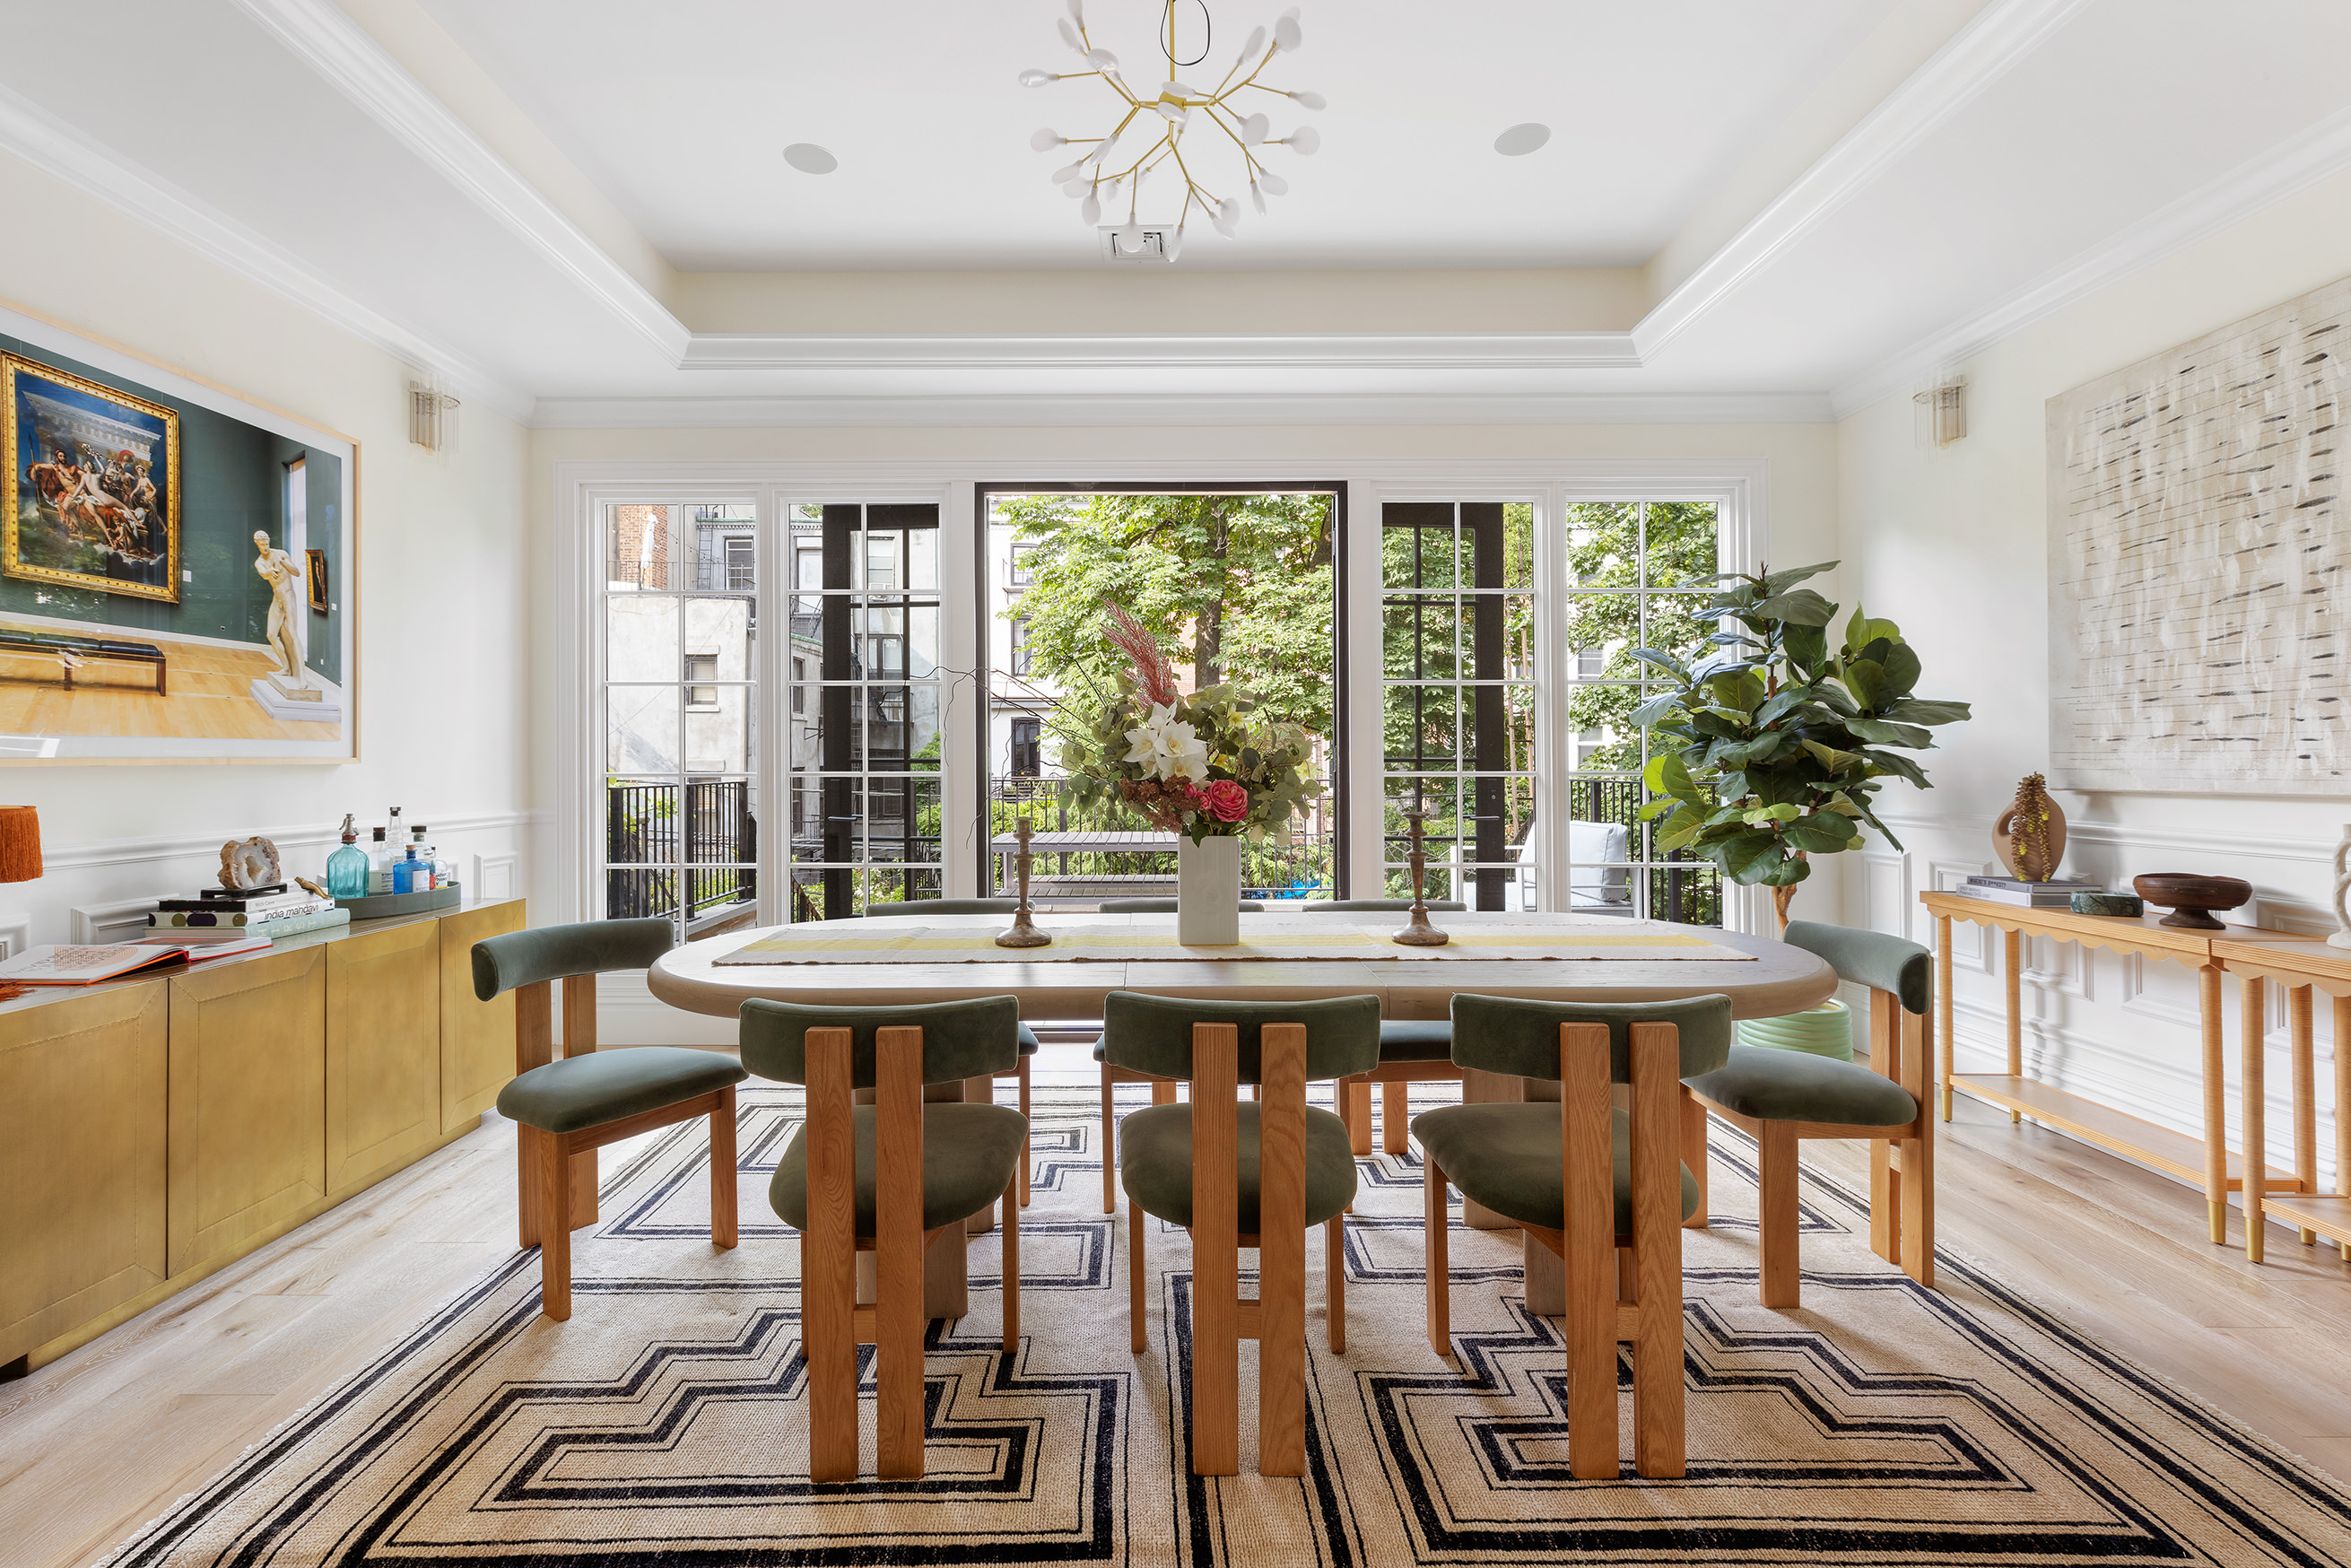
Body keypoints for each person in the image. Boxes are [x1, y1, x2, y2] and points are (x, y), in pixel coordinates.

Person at [253, 529, 306, 684]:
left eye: (267, 543)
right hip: (277, 599)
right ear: (257, 544)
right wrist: (270, 571)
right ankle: (287, 667)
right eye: (262, 544)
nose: (265, 547)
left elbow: (297, 573)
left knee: (293, 633)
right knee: (271, 635)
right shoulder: (259, 562)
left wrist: (283, 563)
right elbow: (264, 573)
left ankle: (302, 676)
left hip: (288, 596)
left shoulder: (281, 554)